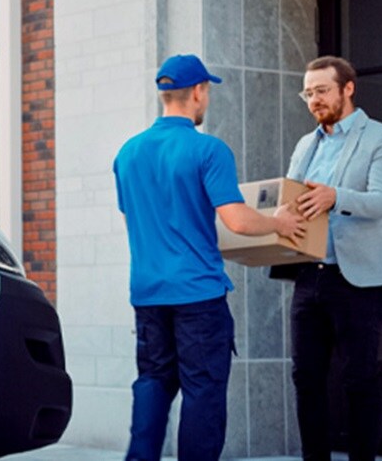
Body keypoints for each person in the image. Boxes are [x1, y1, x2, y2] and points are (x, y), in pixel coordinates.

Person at [113, 54, 306, 461]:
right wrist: (280, 223)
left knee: (152, 381)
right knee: (203, 390)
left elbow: (143, 218)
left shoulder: (127, 154)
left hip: (147, 294)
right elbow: (236, 220)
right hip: (197, 295)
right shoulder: (208, 149)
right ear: (199, 92)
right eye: (207, 91)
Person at [283, 56, 382, 461]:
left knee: (359, 378)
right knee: (306, 378)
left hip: (357, 278)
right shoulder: (305, 145)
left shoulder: (378, 137)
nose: (313, 100)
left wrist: (335, 197)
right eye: (307, 93)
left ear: (348, 88)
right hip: (309, 275)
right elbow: (291, 196)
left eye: (321, 90)